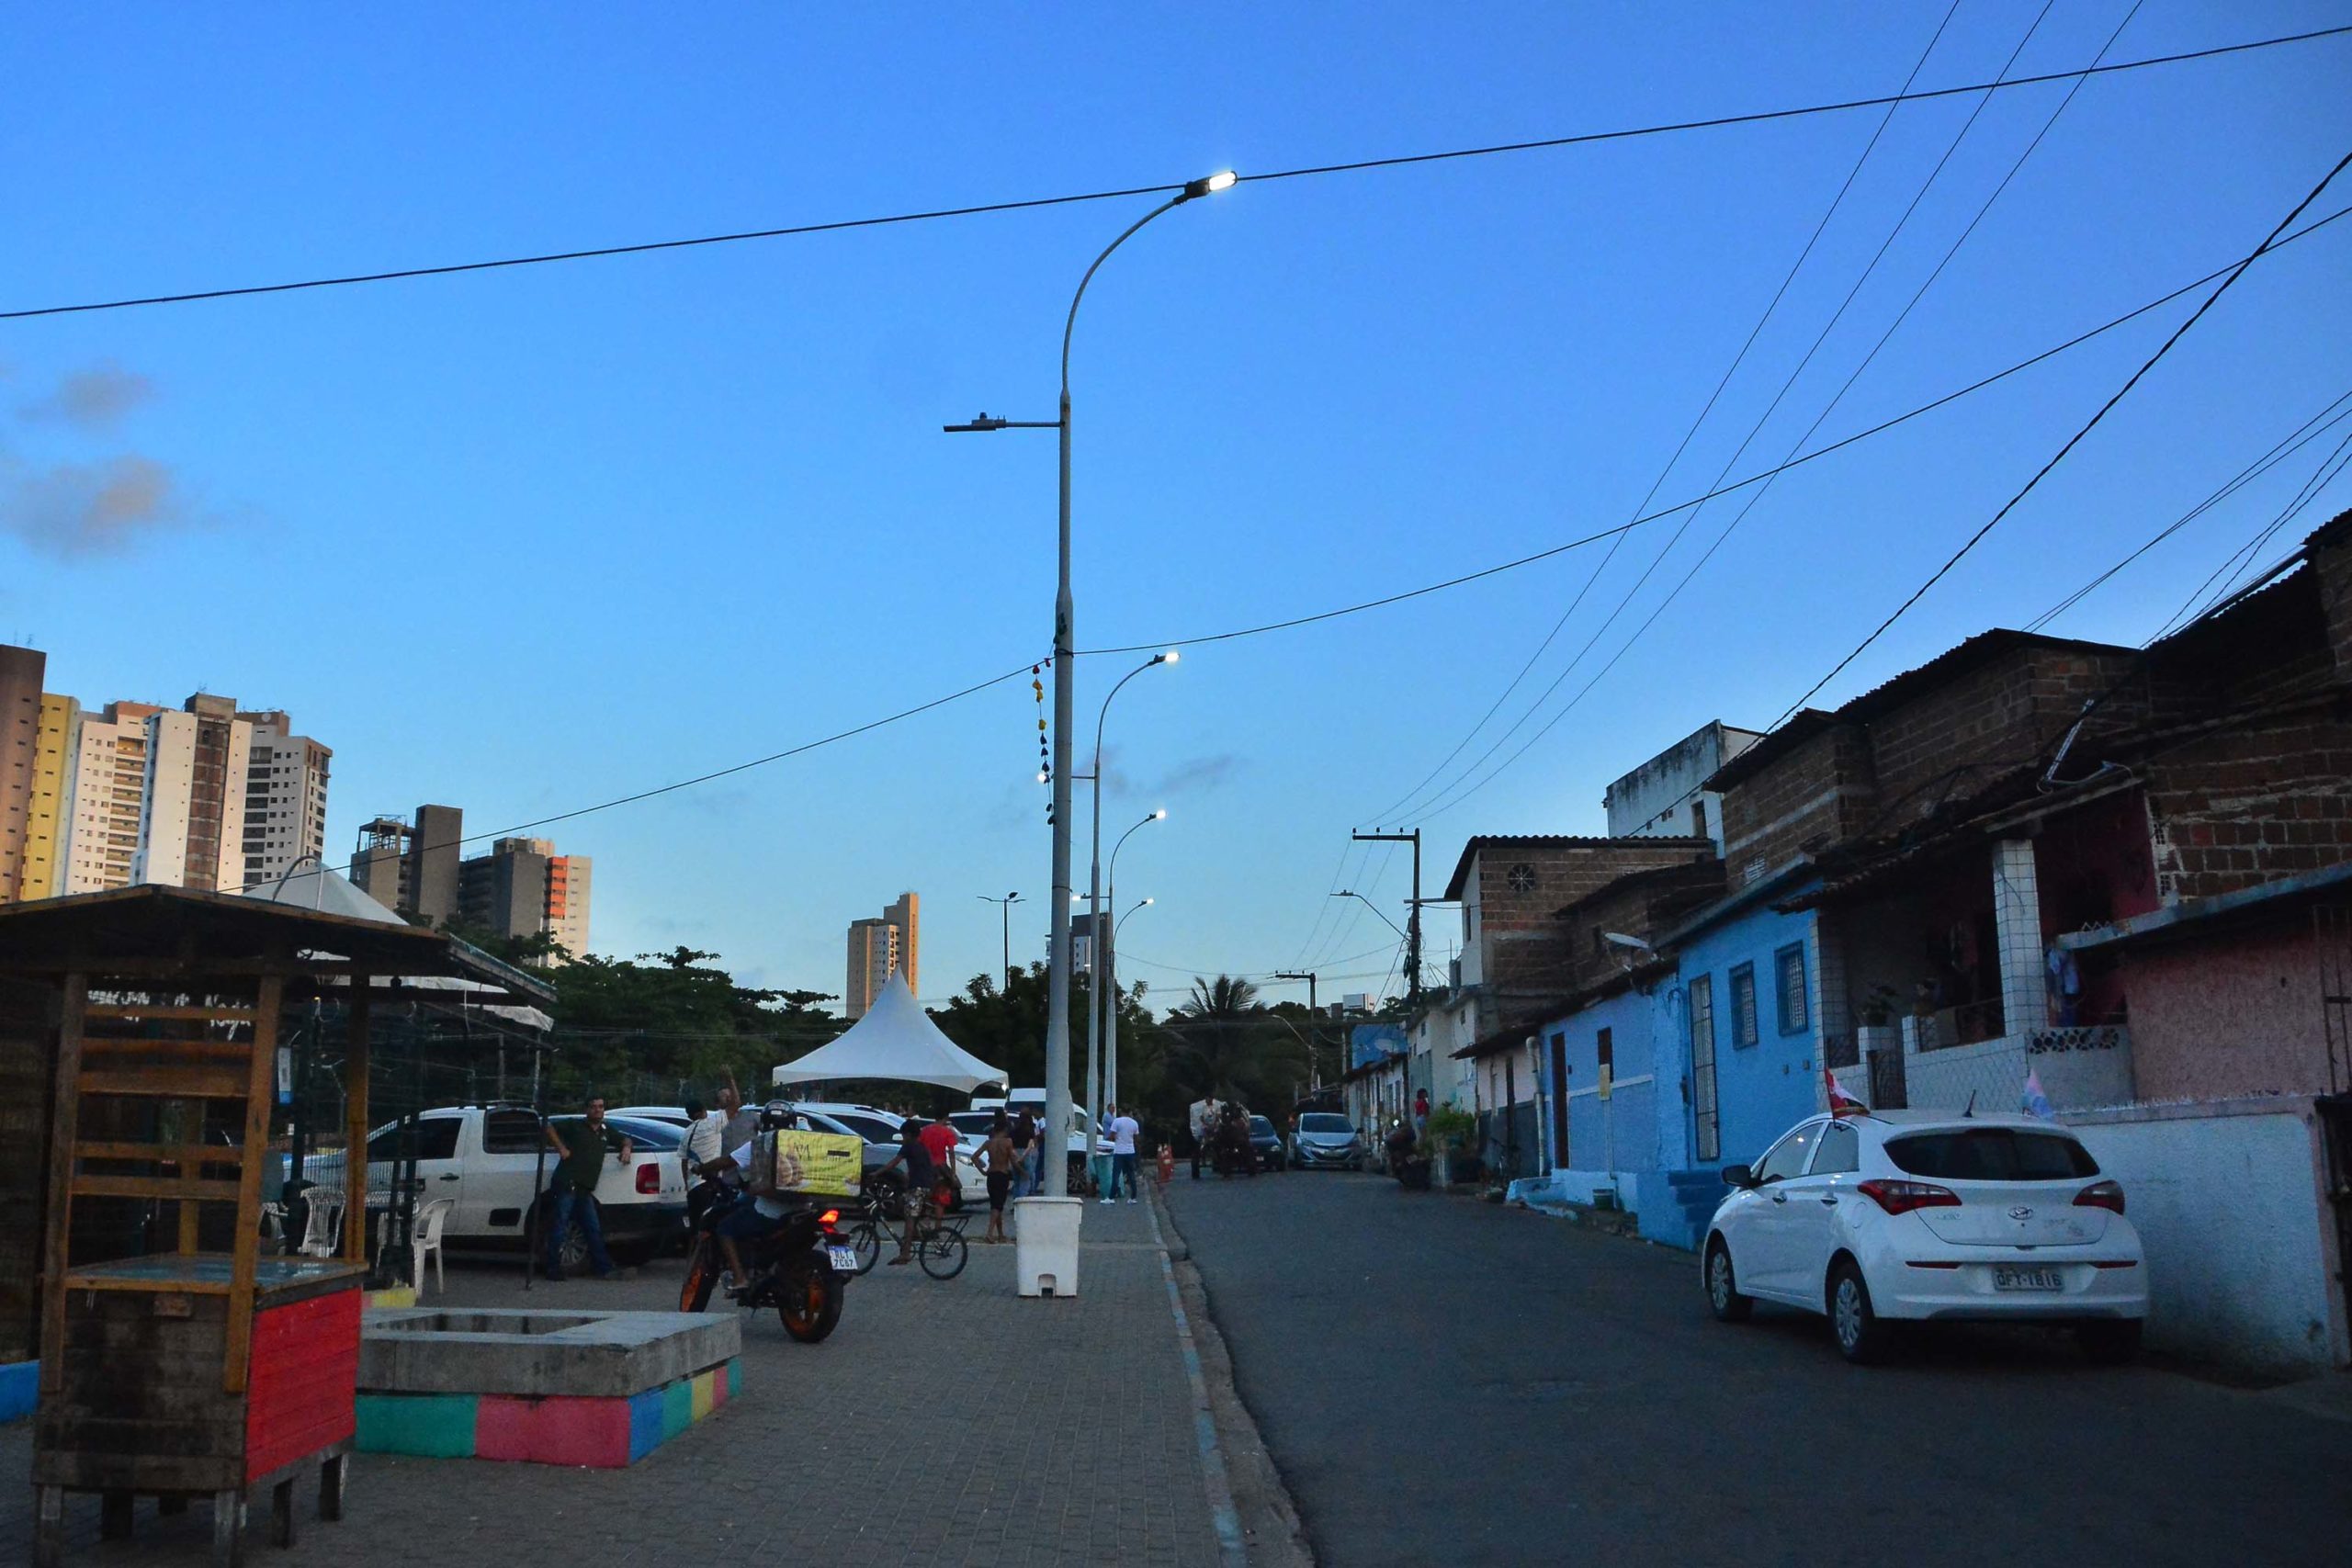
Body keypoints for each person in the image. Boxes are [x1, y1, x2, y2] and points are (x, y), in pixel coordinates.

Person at [543, 1095, 631, 1281]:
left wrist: (626, 1148)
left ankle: (604, 1268)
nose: (598, 1110)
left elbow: (626, 1139)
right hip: (567, 1183)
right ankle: (553, 1268)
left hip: (585, 1188)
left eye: (601, 1106)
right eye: (593, 1107)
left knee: (593, 1228)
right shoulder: (575, 1125)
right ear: (587, 1109)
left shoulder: (605, 1131)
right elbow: (547, 1126)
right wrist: (561, 1148)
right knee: (560, 1225)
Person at [711, 1129, 790, 1294]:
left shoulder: (765, 1142)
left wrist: (702, 1168)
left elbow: (727, 1161)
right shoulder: (806, 1141)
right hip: (805, 1208)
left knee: (725, 1228)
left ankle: (740, 1277)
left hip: (771, 1211)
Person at [876, 1119, 938, 1266]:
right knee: (904, 1205)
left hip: (917, 1187)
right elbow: (924, 1167)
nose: (903, 1139)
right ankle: (915, 1234)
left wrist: (877, 1173)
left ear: (908, 1135)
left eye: (903, 1136)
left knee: (910, 1218)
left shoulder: (908, 1146)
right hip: (927, 1185)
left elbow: (894, 1163)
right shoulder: (922, 1147)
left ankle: (905, 1253)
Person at [681, 1094, 729, 1228]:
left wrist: (687, 1184)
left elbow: (684, 1162)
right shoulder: (711, 1124)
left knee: (695, 1225)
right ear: (703, 1111)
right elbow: (735, 1105)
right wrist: (731, 1083)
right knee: (710, 1225)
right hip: (708, 1184)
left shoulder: (687, 1132)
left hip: (693, 1186)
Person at [978, 1111, 1017, 1244]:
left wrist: (983, 1171)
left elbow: (974, 1156)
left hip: (991, 1174)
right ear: (1005, 1129)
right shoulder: (1008, 1142)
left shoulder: (989, 1143)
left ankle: (1000, 1234)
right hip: (1002, 1174)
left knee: (996, 1205)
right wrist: (1020, 1169)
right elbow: (1012, 1159)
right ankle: (990, 1233)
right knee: (998, 1205)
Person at [1102, 1103, 1141, 1203]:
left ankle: (1111, 1197)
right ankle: (1133, 1197)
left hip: (1119, 1151)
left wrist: (1116, 1138)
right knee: (1131, 1174)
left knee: (1116, 1174)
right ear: (1130, 1112)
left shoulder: (1117, 1121)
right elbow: (1136, 1138)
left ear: (1121, 1111)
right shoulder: (1134, 1123)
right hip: (1130, 1151)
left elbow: (1112, 1136)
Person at [1009, 1110, 1037, 1200]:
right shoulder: (1029, 1131)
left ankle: (1016, 1200)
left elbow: (1011, 1146)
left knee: (1017, 1180)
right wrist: (1023, 1157)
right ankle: (1023, 1199)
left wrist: (1016, 1156)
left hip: (1015, 1154)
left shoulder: (1013, 1131)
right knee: (1026, 1178)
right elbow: (1030, 1146)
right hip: (1026, 1154)